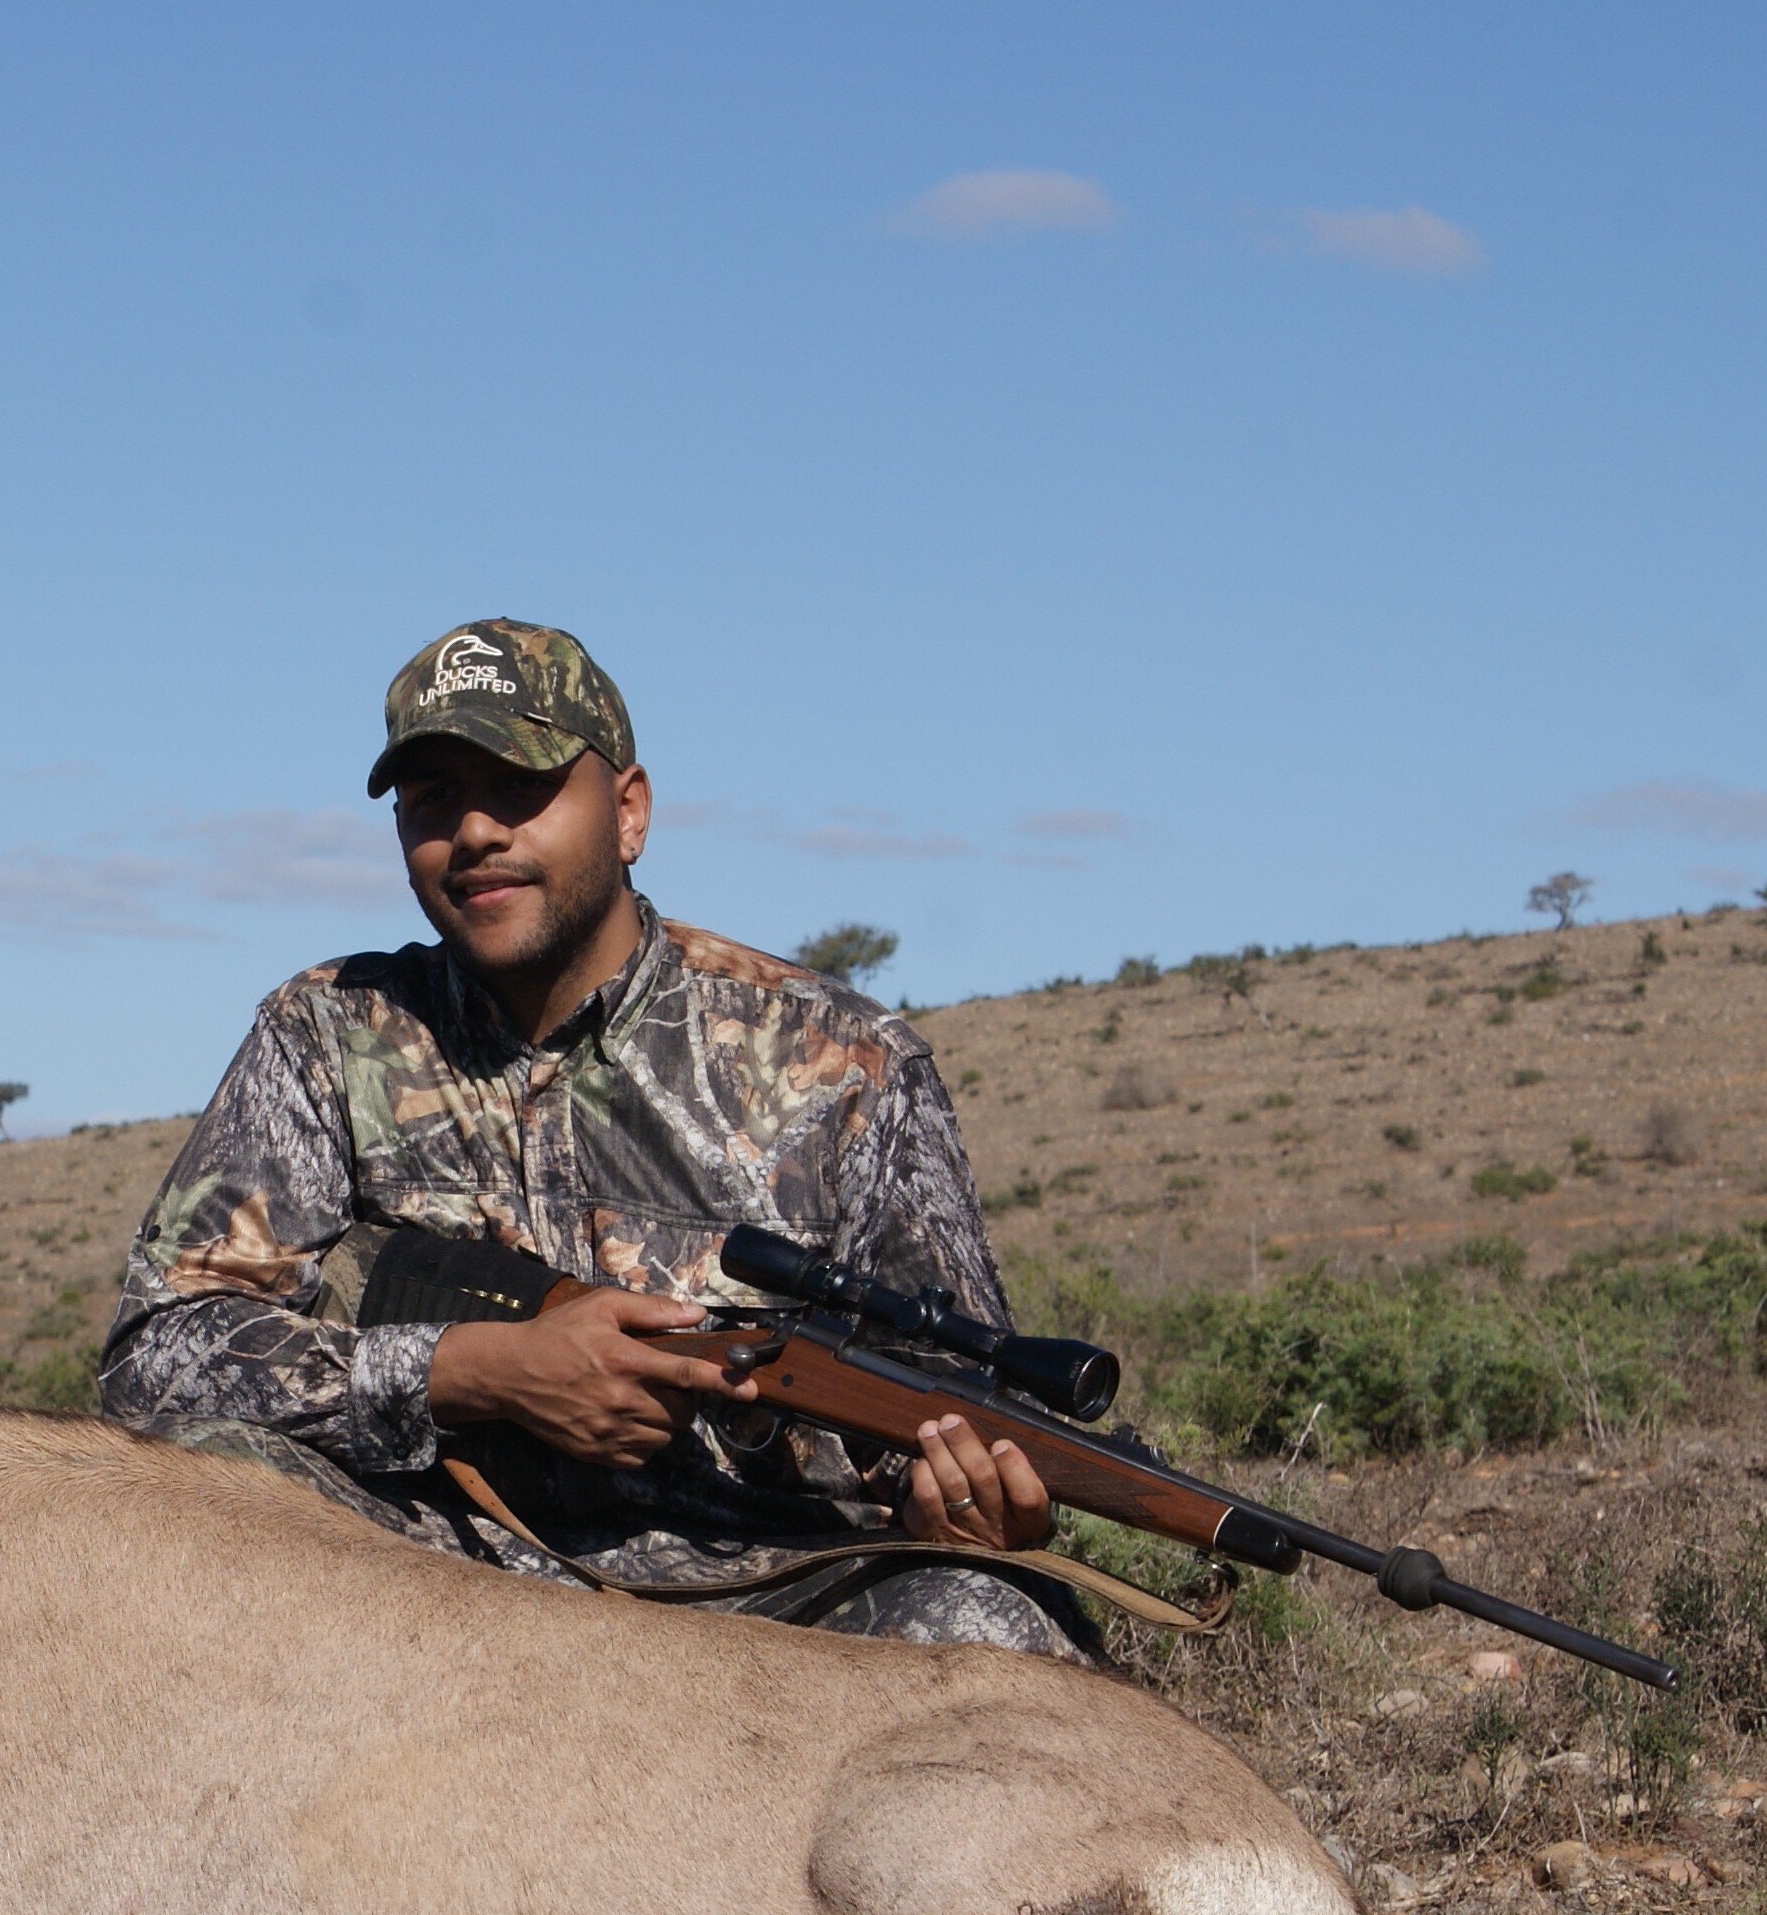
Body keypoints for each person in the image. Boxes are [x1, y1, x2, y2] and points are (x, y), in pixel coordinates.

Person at [96, 618, 1079, 1655]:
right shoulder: (327, 1031)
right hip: (421, 1576)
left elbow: (953, 1413)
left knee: (991, 1616)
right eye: (431, 799)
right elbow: (154, 1358)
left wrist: (963, 1510)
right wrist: (473, 1371)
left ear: (627, 812)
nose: (473, 831)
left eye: (518, 786)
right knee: (203, 1486)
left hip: (770, 1599)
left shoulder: (845, 1061)